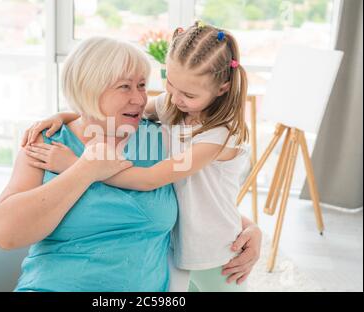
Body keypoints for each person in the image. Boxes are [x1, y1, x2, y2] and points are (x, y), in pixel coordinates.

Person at [21, 23, 260, 292]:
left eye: (189, 94)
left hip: (217, 252)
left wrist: (79, 167)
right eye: (170, 83)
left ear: (222, 88)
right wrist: (61, 116)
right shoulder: (172, 106)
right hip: (176, 245)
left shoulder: (217, 136)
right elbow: (100, 111)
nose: (175, 98)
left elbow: (148, 180)